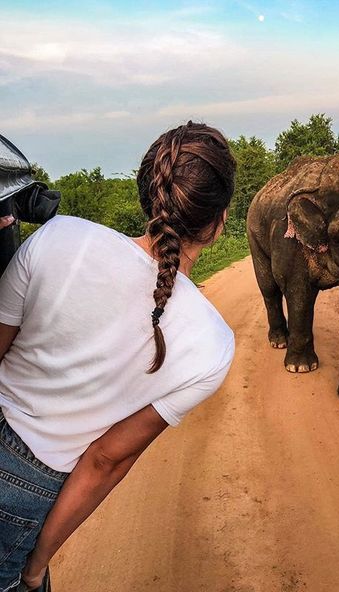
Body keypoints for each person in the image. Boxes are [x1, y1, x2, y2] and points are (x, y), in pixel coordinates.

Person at [0, 121, 236, 591]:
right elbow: (104, 460)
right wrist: (36, 565)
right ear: (220, 222)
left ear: (146, 195)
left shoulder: (58, 236)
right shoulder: (213, 345)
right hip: (25, 490)